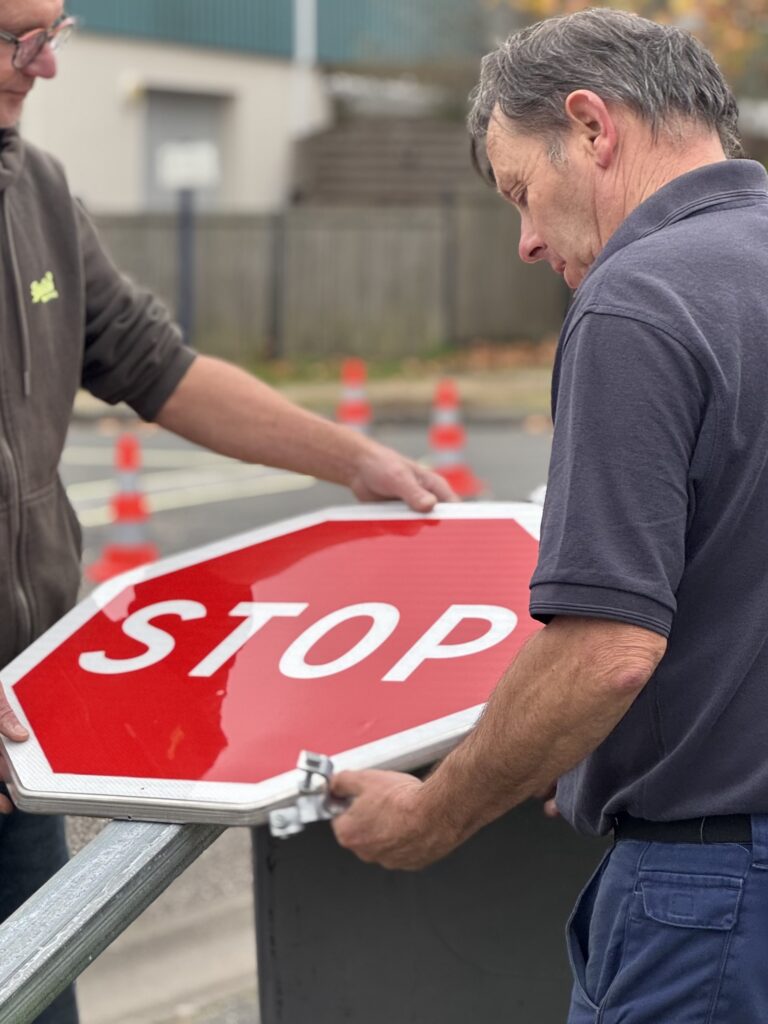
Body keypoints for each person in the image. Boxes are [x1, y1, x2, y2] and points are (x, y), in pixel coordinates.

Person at [0, 3, 454, 1022]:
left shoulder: (35, 190)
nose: (44, 68)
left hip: (18, 738)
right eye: (12, 38)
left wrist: (353, 457)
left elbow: (160, 369)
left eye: (54, 34)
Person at [330, 8, 768, 1021]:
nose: (526, 240)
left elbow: (607, 651)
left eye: (522, 190)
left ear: (592, 127)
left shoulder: (640, 301)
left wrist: (433, 815)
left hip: (712, 902)